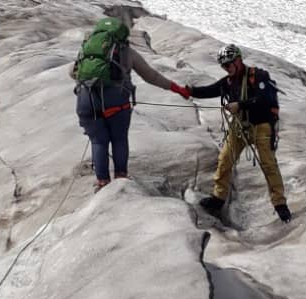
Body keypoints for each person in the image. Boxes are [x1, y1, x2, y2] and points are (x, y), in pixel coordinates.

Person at [72, 16, 192, 192]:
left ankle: (102, 182)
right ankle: (121, 177)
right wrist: (177, 89)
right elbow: (151, 76)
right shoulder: (125, 52)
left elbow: (73, 72)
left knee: (98, 142)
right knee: (119, 139)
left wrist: (94, 83)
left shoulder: (86, 51)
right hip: (116, 103)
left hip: (86, 102)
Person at [187, 44, 291, 223]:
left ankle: (280, 205)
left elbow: (263, 98)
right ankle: (218, 199)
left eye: (228, 64)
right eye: (224, 66)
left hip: (262, 125)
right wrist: (189, 91)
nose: (226, 69)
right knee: (225, 159)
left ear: (238, 60)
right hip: (240, 126)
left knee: (268, 164)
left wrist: (240, 105)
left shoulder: (258, 76)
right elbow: (210, 90)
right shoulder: (229, 81)